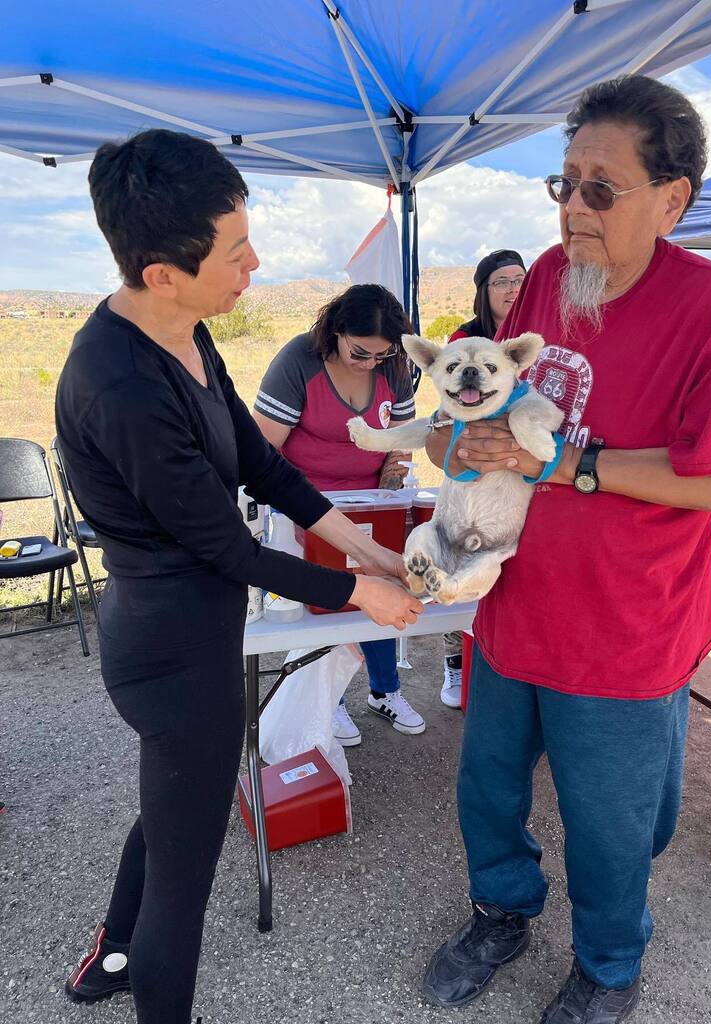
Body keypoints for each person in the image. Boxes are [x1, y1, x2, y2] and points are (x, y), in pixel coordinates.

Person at [421, 75, 711, 1024]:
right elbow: (495, 403)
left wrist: (574, 466)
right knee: (488, 787)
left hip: (626, 629)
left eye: (599, 189)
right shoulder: (546, 273)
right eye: (563, 183)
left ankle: (609, 968)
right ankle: (501, 911)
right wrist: (457, 438)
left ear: (671, 200)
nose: (573, 208)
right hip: (514, 603)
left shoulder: (709, 305)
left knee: (612, 829)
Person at [55, 129, 422, 1024]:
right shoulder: (122, 384)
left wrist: (366, 545)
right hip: (171, 649)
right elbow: (225, 545)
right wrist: (359, 594)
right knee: (187, 873)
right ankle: (137, 980)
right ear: (162, 271)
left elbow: (264, 468)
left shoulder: (184, 333)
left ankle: (105, 959)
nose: (254, 263)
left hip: (196, 629)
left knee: (171, 806)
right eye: (235, 251)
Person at [253, 284, 426, 746]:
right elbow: (261, 450)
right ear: (335, 331)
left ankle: (385, 690)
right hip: (305, 510)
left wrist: (387, 496)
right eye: (360, 353)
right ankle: (329, 702)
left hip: (370, 504)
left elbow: (403, 439)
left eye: (381, 355)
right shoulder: (298, 361)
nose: (371, 364)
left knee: (383, 591)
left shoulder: (394, 365)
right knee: (322, 605)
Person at [439, 250, 527, 709]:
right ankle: (455, 665)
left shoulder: (537, 344)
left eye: (519, 279)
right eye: (501, 282)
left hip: (521, 484)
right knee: (459, 564)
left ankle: (503, 672)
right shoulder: (464, 340)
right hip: (472, 476)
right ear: (483, 291)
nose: (513, 288)